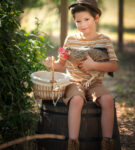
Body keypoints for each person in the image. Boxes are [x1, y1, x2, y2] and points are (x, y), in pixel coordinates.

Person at [44, 0, 118, 150]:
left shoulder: (105, 40)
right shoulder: (71, 39)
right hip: (74, 82)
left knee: (108, 100)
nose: (82, 24)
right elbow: (61, 65)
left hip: (95, 82)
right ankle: (73, 143)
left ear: (96, 18)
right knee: (76, 100)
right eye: (78, 21)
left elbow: (113, 65)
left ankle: (107, 142)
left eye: (86, 19)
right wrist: (52, 65)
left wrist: (94, 65)